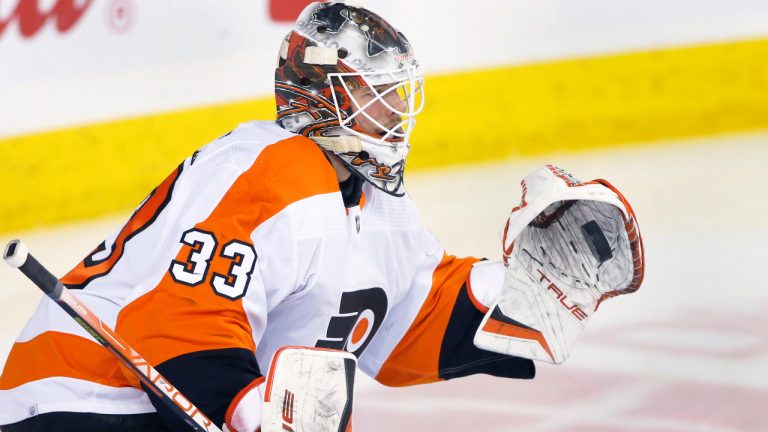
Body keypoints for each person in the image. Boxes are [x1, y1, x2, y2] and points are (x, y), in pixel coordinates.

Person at [0, 2, 644, 431]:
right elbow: (179, 326)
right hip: (78, 398)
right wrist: (257, 412)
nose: (394, 117)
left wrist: (515, 298)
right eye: (374, 98)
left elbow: (404, 319)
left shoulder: (381, 206)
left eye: (397, 99)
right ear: (318, 96)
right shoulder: (269, 170)